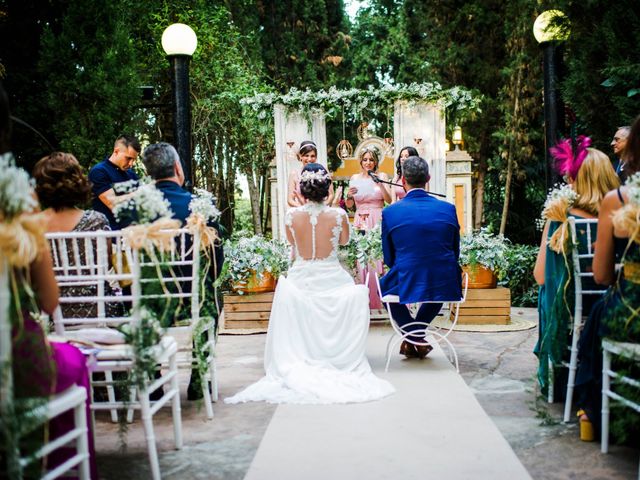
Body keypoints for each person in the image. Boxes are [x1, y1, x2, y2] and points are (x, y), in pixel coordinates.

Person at [225, 163, 394, 404]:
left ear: (302, 192)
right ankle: (335, 357)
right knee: (355, 293)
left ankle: (304, 355)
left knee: (290, 292)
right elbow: (344, 241)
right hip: (333, 275)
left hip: (302, 276)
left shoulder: (291, 215)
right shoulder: (339, 214)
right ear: (327, 192)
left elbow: (293, 243)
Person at [0, 81, 97, 478]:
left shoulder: (31, 216)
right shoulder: (18, 212)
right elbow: (48, 301)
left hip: (49, 325)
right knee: (73, 362)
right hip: (32, 345)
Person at [533, 142, 619, 398]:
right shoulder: (623, 217)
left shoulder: (562, 218)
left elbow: (540, 276)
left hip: (571, 306)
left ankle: (559, 371)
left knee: (546, 288)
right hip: (612, 301)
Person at [141, 142, 224, 400]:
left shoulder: (134, 209)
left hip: (149, 306)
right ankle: (199, 377)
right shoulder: (199, 206)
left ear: (149, 174)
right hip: (192, 302)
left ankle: (153, 377)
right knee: (211, 295)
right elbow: (214, 260)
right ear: (178, 168)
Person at [574, 115, 640, 440]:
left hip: (631, 315)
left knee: (599, 312)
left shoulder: (618, 201)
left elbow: (600, 276)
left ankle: (591, 410)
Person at [379, 156, 461, 359]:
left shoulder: (391, 212)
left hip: (409, 272)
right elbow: (454, 250)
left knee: (383, 287)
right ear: (428, 179)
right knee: (438, 285)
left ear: (403, 181)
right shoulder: (448, 208)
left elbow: (389, 256)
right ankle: (418, 336)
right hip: (446, 278)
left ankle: (412, 337)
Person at [33, 151, 121, 319]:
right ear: (77, 182)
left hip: (55, 313)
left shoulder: (34, 225)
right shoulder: (97, 221)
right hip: (100, 309)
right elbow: (106, 263)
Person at [346, 148, 392, 309]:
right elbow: (350, 206)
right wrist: (349, 196)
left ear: (376, 162)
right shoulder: (354, 178)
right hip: (360, 219)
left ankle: (381, 297)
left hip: (377, 218)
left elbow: (389, 199)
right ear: (360, 161)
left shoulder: (382, 176)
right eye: (365, 160)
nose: (368, 163)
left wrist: (381, 184)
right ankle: (366, 298)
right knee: (362, 256)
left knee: (378, 255)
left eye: (371, 160)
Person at [88, 134, 141, 229]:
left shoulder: (131, 174)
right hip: (109, 236)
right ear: (116, 151)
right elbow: (114, 204)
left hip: (133, 235)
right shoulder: (99, 171)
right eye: (128, 158)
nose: (131, 163)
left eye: (134, 160)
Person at [287, 140, 333, 207]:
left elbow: (331, 195)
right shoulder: (294, 174)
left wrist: (320, 207)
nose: (309, 159)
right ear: (300, 156)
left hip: (321, 211)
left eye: (312, 156)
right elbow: (290, 200)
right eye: (306, 155)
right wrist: (305, 208)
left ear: (316, 157)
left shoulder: (323, 170)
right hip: (302, 213)